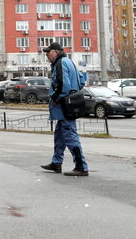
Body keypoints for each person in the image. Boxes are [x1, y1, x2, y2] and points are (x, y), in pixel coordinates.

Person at [42, 42, 89, 176]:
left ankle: (81, 167)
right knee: (60, 136)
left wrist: (56, 98)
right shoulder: (69, 62)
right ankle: (56, 163)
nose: (46, 55)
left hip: (64, 107)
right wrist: (73, 95)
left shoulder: (60, 63)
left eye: (48, 52)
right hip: (69, 105)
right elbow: (81, 82)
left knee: (70, 137)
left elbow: (64, 85)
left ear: (56, 52)